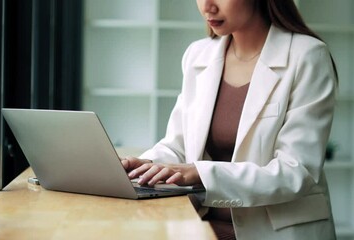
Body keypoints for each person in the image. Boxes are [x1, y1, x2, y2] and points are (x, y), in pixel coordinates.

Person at [121, 0, 337, 239]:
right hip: (202, 227)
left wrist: (201, 173)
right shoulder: (198, 54)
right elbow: (178, 146)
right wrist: (144, 166)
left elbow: (296, 172)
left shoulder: (307, 56)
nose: (207, 6)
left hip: (275, 232)